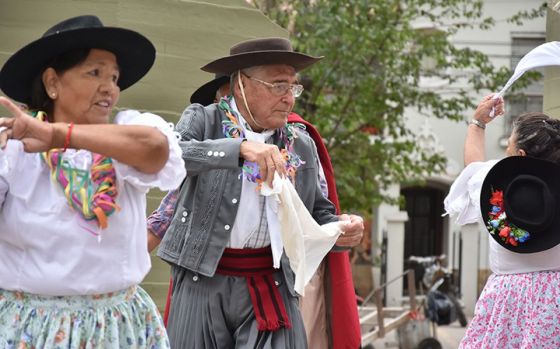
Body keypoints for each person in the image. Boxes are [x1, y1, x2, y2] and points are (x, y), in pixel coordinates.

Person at [156, 37, 364, 348]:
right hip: (202, 279)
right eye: (279, 85)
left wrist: (340, 229)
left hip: (272, 283)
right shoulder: (203, 119)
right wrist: (238, 149)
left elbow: (317, 213)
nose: (289, 98)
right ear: (240, 83)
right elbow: (171, 155)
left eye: (293, 87)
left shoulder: (300, 141)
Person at [0, 15, 185, 348]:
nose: (109, 87)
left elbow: (156, 149)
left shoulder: (126, 132)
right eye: (94, 72)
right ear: (52, 82)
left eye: (114, 77)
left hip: (119, 323)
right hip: (31, 327)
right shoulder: (13, 149)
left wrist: (57, 135)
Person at [444, 94, 560, 348]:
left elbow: (473, 166)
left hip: (507, 302)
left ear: (519, 154)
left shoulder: (494, 186)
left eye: (508, 146)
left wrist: (478, 123)